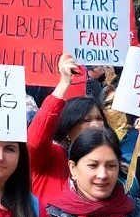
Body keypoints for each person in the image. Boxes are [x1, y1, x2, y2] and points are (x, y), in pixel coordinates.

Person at [26, 54, 115, 205]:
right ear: (69, 126)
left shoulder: (108, 159)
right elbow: (36, 141)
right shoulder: (53, 156)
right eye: (86, 120)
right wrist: (64, 83)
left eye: (99, 119)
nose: (95, 125)